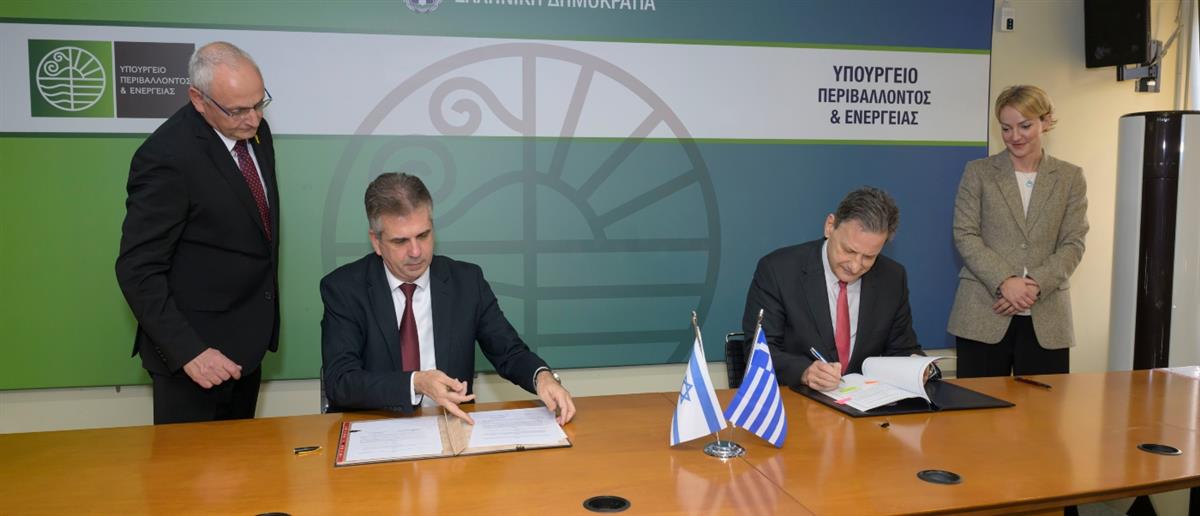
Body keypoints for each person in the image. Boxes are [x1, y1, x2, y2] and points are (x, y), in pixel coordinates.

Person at [320, 172, 575, 425]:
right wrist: (416, 382)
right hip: (376, 429)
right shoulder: (344, 289)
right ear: (376, 242)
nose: (416, 251)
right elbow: (341, 381)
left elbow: (509, 352)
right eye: (400, 241)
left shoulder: (467, 282)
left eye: (423, 235)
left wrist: (542, 377)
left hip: (452, 427)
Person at [115, 42, 280, 424]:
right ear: (198, 99)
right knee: (187, 465)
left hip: (248, 347)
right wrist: (190, 352)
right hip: (194, 362)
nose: (253, 119)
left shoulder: (256, 132)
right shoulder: (166, 157)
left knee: (244, 461)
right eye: (238, 110)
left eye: (259, 104)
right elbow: (137, 269)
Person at [948, 85, 1088, 377]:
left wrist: (1035, 284)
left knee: (1045, 406)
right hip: (983, 312)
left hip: (1048, 318)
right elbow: (965, 233)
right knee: (978, 405)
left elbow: (1073, 242)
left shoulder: (1070, 177)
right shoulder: (978, 172)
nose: (1015, 136)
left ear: (1045, 121)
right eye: (1006, 128)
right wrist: (1005, 281)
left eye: (1025, 126)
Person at [743, 187, 929, 392]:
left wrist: (919, 367)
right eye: (849, 250)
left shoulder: (892, 278)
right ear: (830, 226)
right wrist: (804, 372)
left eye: (869, 257)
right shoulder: (778, 270)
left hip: (865, 401)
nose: (855, 266)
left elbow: (902, 348)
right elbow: (759, 351)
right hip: (798, 399)